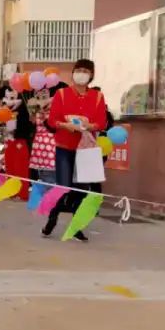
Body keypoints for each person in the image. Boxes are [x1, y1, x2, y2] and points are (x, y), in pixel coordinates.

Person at [42, 58, 107, 241]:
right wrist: (65, 125)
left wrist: (89, 125)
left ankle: (76, 226)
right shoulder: (62, 94)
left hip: (86, 149)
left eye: (86, 71)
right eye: (78, 70)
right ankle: (52, 218)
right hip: (64, 147)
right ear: (73, 73)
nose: (81, 74)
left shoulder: (98, 97)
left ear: (91, 75)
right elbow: (52, 120)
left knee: (81, 190)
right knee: (63, 188)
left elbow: (102, 122)